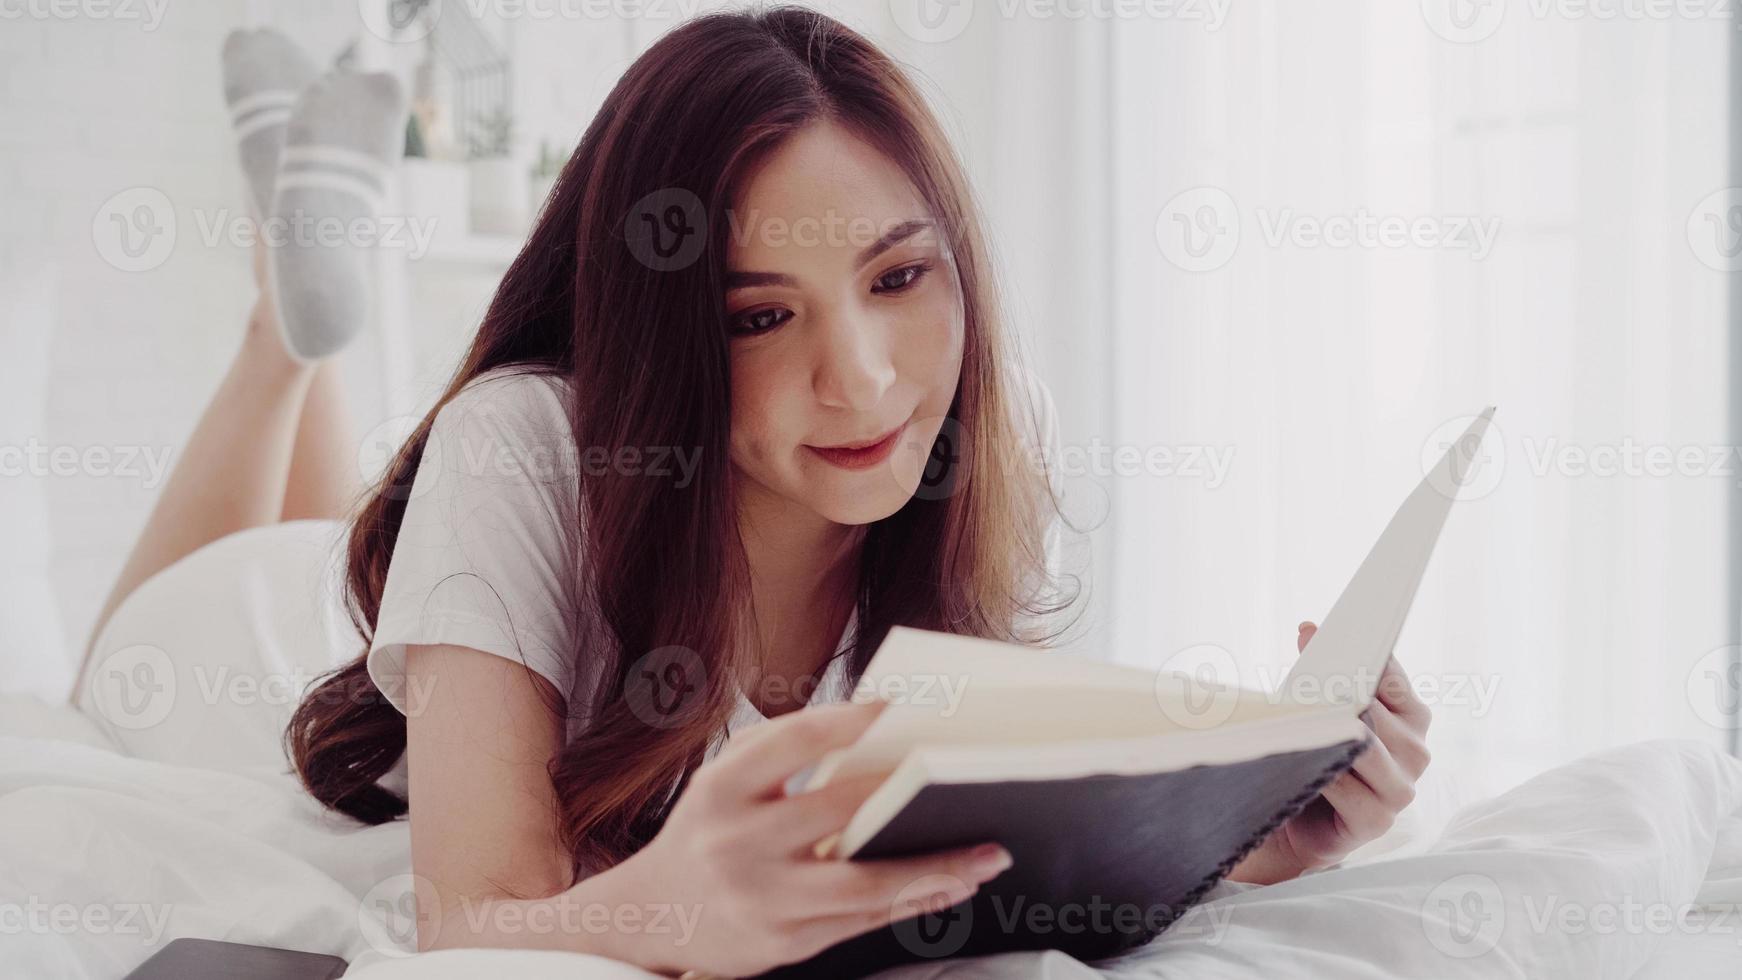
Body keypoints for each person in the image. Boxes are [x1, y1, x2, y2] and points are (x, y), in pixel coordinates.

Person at [71, 9, 1433, 976]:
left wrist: (1248, 834)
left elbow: (989, 863)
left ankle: (307, 266)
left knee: (316, 517)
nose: (863, 381)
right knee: (154, 639)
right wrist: (664, 912)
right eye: (754, 319)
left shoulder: (967, 438)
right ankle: (283, 324)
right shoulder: (517, 445)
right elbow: (468, 917)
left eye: (900, 278)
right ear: (658, 335)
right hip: (232, 657)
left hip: (429, 608)